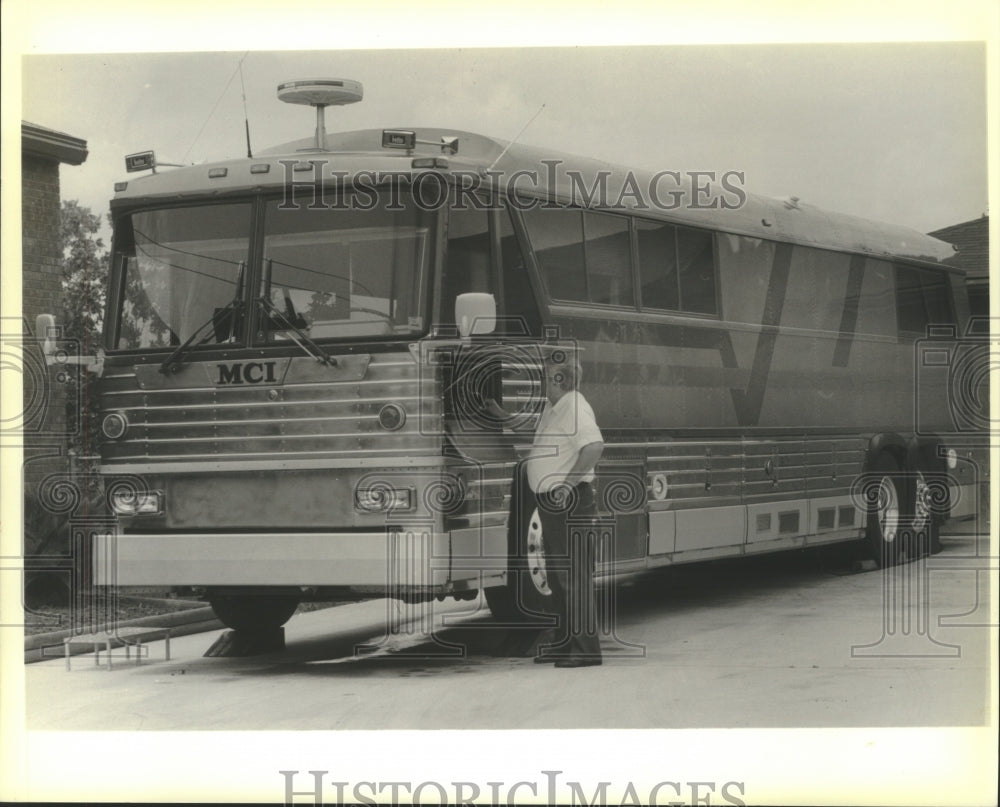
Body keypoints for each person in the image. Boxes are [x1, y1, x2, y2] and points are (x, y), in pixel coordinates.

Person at [487, 349, 604, 668]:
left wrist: (566, 485)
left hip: (569, 501)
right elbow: (535, 439)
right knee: (558, 577)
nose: (541, 380)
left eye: (545, 375)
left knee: (573, 578)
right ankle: (566, 645)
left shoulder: (575, 407)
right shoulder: (555, 408)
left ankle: (586, 650)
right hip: (553, 503)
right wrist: (503, 416)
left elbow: (594, 447)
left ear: (560, 378)